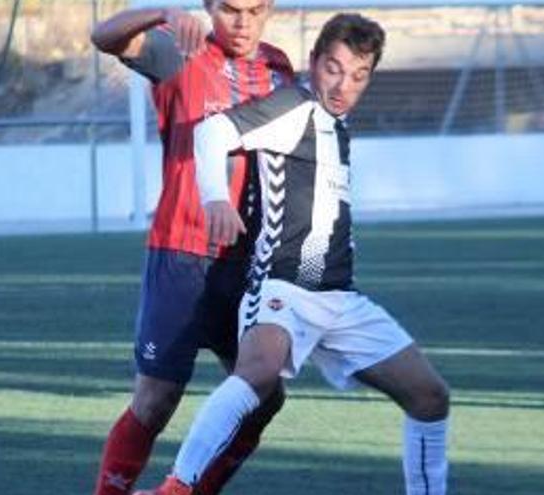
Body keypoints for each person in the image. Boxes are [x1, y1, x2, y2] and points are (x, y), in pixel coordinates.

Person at [134, 13, 450, 495]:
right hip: (281, 286)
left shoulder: (336, 124)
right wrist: (215, 196)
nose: (344, 85)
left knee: (430, 396)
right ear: (314, 62)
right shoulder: (295, 106)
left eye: (359, 76)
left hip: (339, 299)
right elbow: (210, 133)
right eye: (334, 69)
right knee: (258, 373)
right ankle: (179, 487)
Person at [89, 1, 293, 494]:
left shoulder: (279, 69)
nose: (242, 21)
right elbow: (104, 37)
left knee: (263, 398)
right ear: (208, 7)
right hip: (181, 256)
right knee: (157, 399)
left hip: (247, 265)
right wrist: (159, 12)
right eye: (229, 8)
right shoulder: (180, 51)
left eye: (255, 9)